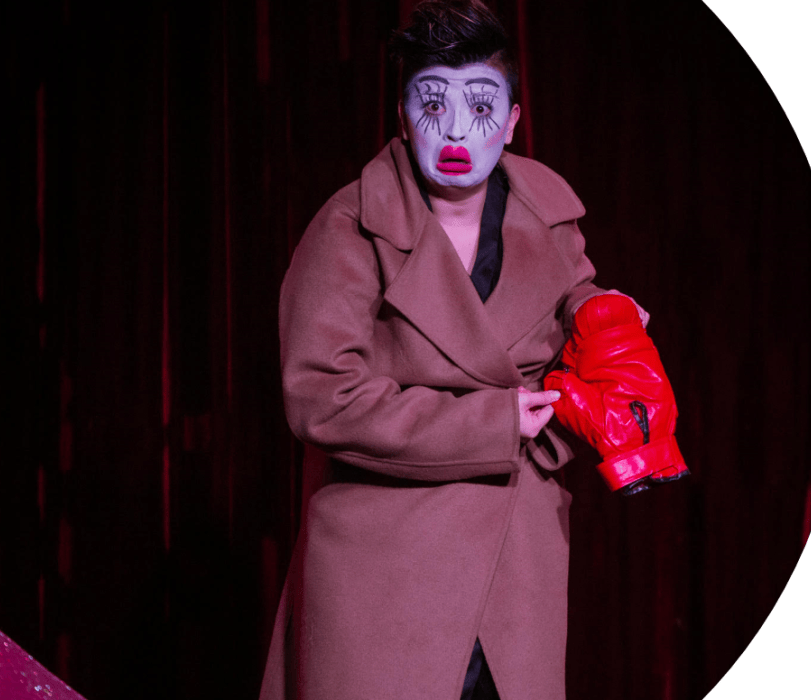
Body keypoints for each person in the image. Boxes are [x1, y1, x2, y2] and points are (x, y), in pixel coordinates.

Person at [260, 2, 643, 698]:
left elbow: (568, 297)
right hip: (387, 569)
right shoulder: (351, 226)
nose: (457, 128)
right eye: (432, 102)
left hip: (515, 559)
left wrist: (602, 312)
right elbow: (321, 396)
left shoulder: (549, 211)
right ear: (403, 118)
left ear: (513, 120)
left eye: (480, 103)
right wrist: (492, 422)